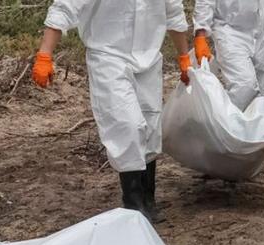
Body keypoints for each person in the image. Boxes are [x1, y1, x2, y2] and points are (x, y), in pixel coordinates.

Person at [31, 0, 191, 223]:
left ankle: (148, 199)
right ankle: (133, 203)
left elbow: (173, 11)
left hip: (149, 57)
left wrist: (184, 56)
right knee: (127, 125)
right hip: (108, 56)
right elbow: (65, 7)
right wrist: (45, 53)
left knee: (150, 128)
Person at [192, 0, 264, 110]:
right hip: (230, 29)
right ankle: (227, 124)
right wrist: (200, 32)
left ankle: (262, 126)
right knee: (244, 87)